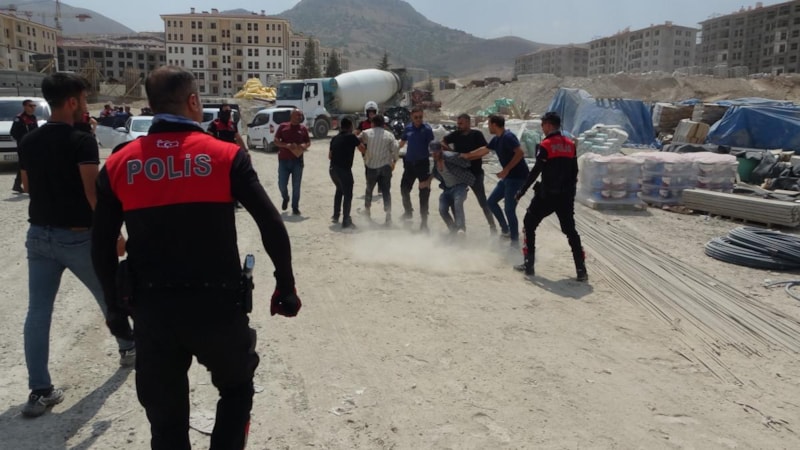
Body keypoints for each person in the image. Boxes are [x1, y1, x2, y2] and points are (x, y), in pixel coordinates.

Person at [91, 66, 302, 449]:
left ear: (152, 104)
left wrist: (113, 308)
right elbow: (271, 223)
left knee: (166, 422)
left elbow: (101, 244)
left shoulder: (119, 164)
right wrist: (285, 286)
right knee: (236, 389)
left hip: (153, 311)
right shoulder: (225, 156)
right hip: (217, 307)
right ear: (192, 101)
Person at [17, 72, 136, 418]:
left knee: (38, 312)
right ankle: (128, 347)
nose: (85, 105)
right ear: (72, 101)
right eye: (83, 99)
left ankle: (40, 391)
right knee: (108, 294)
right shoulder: (81, 140)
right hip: (78, 235)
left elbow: (27, 187)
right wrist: (114, 233)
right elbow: (92, 193)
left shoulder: (30, 139)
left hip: (39, 235)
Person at [513, 112, 587, 281]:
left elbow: (535, 171)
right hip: (565, 196)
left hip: (546, 196)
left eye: (543, 125)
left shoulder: (545, 145)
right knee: (570, 231)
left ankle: (529, 265)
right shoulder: (571, 145)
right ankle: (581, 270)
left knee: (529, 224)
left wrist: (521, 191)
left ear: (549, 125)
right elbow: (574, 171)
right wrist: (570, 193)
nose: (542, 128)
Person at [473, 115, 529, 244]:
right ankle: (505, 230)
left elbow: (520, 152)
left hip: (517, 177)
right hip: (508, 177)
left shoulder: (508, 137)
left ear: (494, 125)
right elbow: (484, 150)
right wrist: (466, 155)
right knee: (491, 202)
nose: (488, 127)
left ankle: (514, 241)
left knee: (509, 209)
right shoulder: (497, 139)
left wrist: (506, 169)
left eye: (489, 124)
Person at [443, 113, 497, 234]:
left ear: (468, 122)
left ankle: (492, 226)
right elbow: (443, 142)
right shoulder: (456, 134)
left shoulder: (476, 134)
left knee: (482, 201)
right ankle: (458, 228)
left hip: (475, 173)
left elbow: (484, 150)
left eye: (461, 123)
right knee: (455, 201)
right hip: (460, 174)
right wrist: (452, 153)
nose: (459, 126)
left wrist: (469, 156)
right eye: (458, 123)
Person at [358, 114, 399, 226]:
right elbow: (396, 148)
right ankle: (388, 217)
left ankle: (367, 212)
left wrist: (363, 151)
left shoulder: (367, 132)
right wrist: (394, 161)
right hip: (385, 167)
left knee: (369, 190)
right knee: (386, 191)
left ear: (372, 123)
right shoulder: (389, 135)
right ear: (383, 124)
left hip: (371, 166)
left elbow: (357, 140)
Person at [399, 106, 434, 231]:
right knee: (404, 189)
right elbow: (401, 143)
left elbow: (432, 146)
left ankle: (424, 222)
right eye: (416, 117)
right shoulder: (408, 128)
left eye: (420, 117)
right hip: (409, 164)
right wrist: (391, 152)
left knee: (424, 193)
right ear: (411, 117)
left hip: (422, 164)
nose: (418, 119)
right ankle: (408, 212)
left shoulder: (427, 130)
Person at [431, 143, 474, 235]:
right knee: (442, 209)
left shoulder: (450, 157)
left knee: (458, 203)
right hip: (447, 189)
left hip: (460, 187)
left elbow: (467, 163)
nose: (434, 154)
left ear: (441, 150)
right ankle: (453, 230)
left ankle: (461, 229)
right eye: (432, 153)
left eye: (436, 152)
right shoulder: (435, 162)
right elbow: (434, 173)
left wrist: (463, 157)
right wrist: (427, 182)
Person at [274, 108, 310, 215]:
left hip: (297, 161)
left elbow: (308, 142)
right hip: (284, 160)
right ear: (291, 116)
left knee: (296, 185)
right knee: (282, 184)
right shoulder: (283, 126)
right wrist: (286, 145)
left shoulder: (303, 129)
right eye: (297, 115)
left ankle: (295, 207)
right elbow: (276, 141)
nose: (299, 117)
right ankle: (285, 197)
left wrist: (304, 145)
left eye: (300, 115)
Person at [329, 117, 360, 229]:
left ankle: (336, 215)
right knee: (348, 194)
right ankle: (346, 220)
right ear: (350, 126)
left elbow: (330, 156)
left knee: (339, 190)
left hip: (333, 169)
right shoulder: (351, 137)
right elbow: (362, 149)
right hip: (344, 170)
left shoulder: (334, 138)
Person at [10, 99, 39, 193]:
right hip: (24, 146)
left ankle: (18, 185)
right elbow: (13, 132)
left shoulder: (33, 117)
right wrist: (24, 140)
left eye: (34, 106)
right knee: (24, 165)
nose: (33, 108)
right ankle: (23, 185)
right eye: (31, 106)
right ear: (25, 107)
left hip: (33, 145)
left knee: (27, 164)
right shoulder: (19, 118)